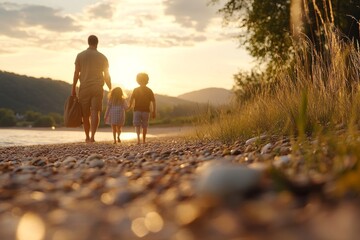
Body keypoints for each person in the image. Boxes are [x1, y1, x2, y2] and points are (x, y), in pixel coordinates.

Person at [72, 35, 112, 143]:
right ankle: (93, 137)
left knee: (85, 114)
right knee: (95, 112)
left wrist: (73, 90)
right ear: (97, 43)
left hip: (84, 88)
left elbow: (76, 73)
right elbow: (106, 76)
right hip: (97, 88)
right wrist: (111, 88)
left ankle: (87, 137)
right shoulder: (102, 57)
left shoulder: (80, 55)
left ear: (88, 42)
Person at [128, 73, 156, 144]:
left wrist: (129, 106)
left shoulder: (135, 90)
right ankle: (143, 140)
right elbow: (153, 101)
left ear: (137, 80)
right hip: (146, 111)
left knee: (137, 125)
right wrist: (154, 111)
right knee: (145, 125)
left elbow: (131, 99)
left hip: (137, 110)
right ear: (147, 80)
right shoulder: (149, 90)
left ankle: (138, 140)